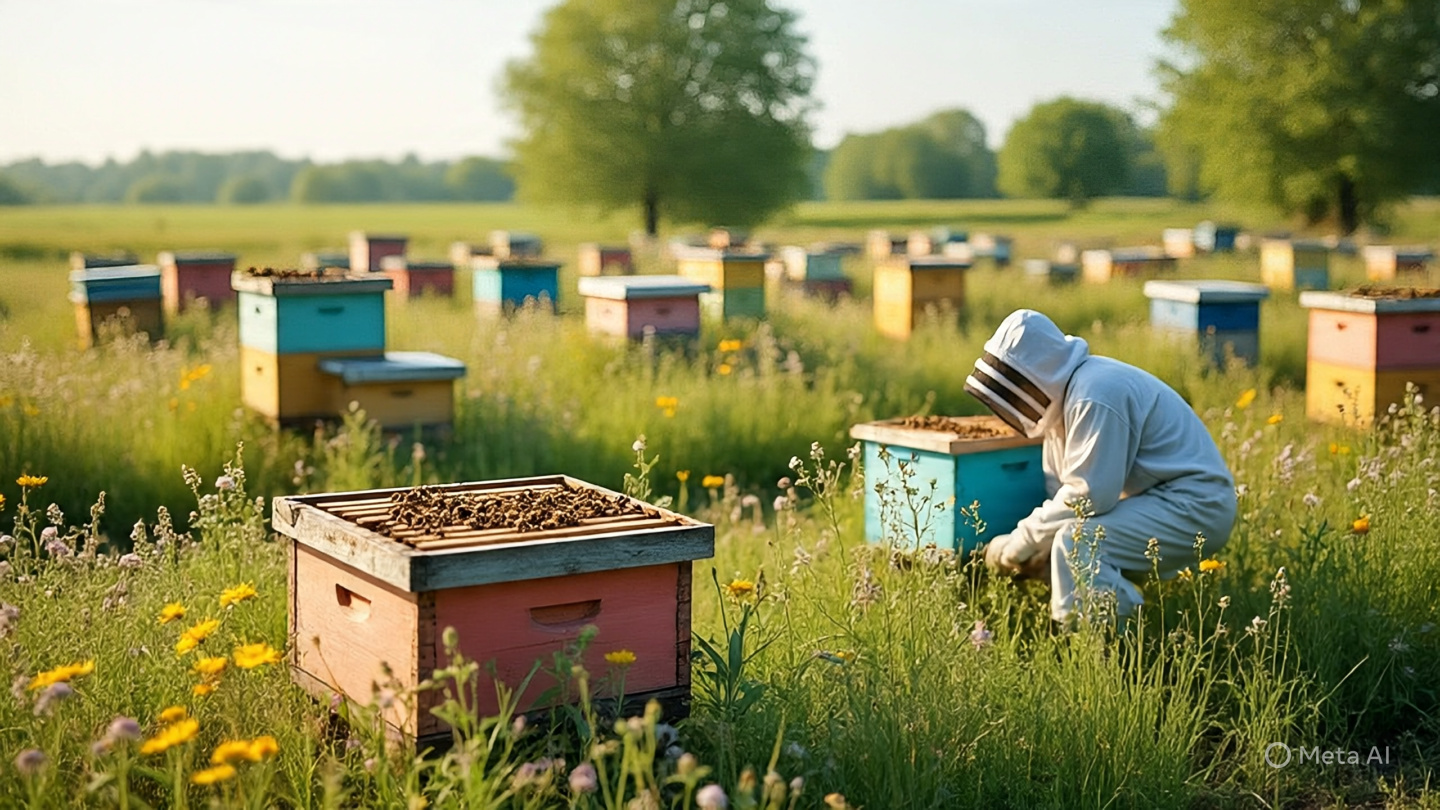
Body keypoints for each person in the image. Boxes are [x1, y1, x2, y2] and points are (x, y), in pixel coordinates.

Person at [964, 309, 1236, 623]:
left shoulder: (1094, 394)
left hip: (1197, 505)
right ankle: (1097, 629)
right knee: (1070, 540)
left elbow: (1087, 498)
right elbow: (1062, 494)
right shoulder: (1063, 407)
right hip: (1161, 500)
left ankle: (1104, 637)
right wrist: (1038, 549)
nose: (1015, 403)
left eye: (1016, 386)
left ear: (1038, 372)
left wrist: (1016, 544)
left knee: (1076, 541)